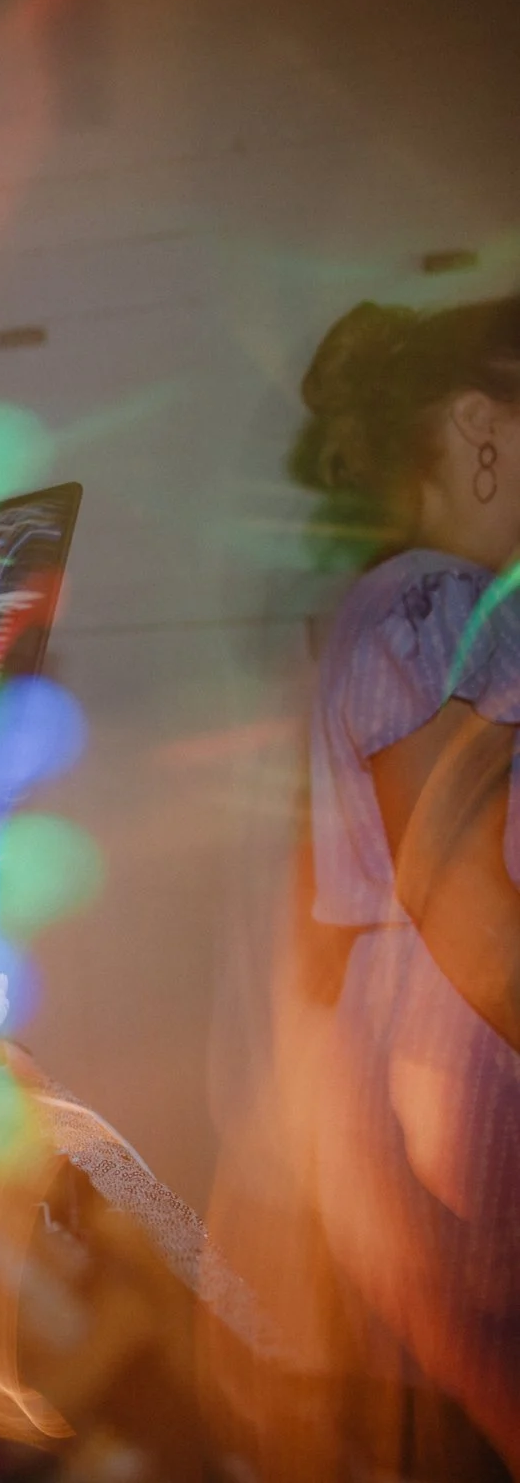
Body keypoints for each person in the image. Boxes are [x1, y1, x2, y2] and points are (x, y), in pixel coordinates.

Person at [291, 295, 520, 1474]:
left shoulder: (410, 607)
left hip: (435, 1151)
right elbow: (467, 904)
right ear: (482, 429)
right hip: (472, 1151)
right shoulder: (441, 604)